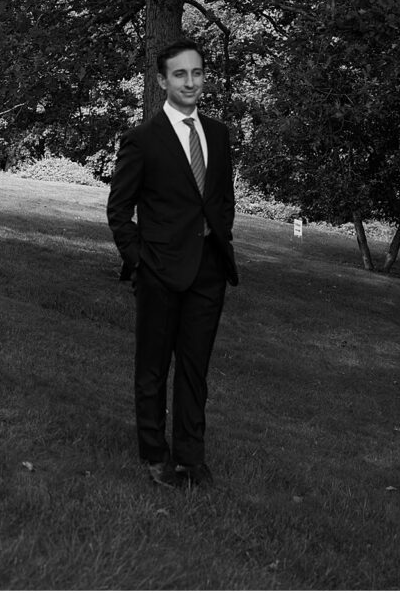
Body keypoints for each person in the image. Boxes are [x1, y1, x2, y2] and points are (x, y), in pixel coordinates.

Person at [106, 38, 238, 489]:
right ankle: (154, 454)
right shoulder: (143, 139)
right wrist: (139, 261)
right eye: (179, 74)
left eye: (197, 73)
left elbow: (221, 200)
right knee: (153, 367)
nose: (190, 82)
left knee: (195, 369)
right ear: (162, 81)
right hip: (160, 270)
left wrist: (221, 244)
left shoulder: (218, 135)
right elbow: (118, 210)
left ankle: (190, 456)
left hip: (209, 270)